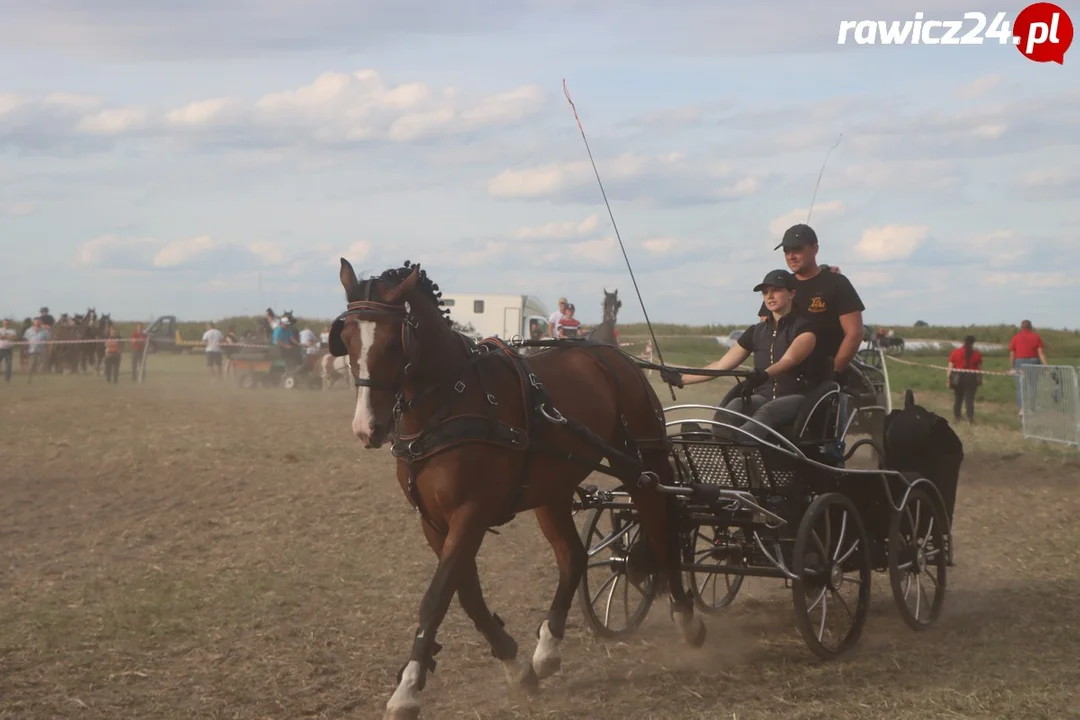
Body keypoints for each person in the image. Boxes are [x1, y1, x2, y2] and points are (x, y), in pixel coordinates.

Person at [664, 269, 823, 440]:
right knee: (734, 406)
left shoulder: (805, 329)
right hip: (763, 396)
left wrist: (764, 374)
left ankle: (731, 440)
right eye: (765, 292)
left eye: (776, 290)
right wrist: (681, 379)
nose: (769, 296)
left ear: (792, 293)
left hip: (796, 398)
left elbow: (789, 360)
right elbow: (721, 366)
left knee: (766, 413)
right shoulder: (756, 331)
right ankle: (717, 438)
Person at [759, 224, 865, 378]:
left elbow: (854, 333)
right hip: (781, 375)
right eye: (787, 251)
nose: (791, 256)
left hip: (822, 375)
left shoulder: (836, 283)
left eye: (797, 250)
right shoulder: (780, 287)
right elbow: (763, 333)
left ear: (815, 249)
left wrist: (833, 372)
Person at [1009, 319, 1047, 416]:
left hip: (1020, 363)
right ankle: (1032, 408)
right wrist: (1046, 365)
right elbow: (1040, 353)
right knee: (1033, 386)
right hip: (1034, 362)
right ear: (1031, 327)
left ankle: (1022, 409)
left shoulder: (1016, 337)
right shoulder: (1036, 337)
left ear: (1021, 328)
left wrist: (1013, 365)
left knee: (1021, 387)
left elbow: (1012, 354)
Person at [947, 335, 982, 424]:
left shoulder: (955, 352)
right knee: (969, 400)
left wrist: (948, 379)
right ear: (973, 343)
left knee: (958, 398)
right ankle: (970, 418)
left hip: (957, 377)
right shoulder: (976, 354)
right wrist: (979, 379)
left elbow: (950, 367)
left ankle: (957, 417)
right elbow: (978, 369)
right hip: (971, 378)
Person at [0, 318, 16, 384]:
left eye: (7, 323)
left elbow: (13, 337)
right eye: (5, 323)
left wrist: (4, 336)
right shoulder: (0, 329)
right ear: (3, 323)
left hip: (9, 350)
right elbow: (0, 337)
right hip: (0, 349)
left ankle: (7, 379)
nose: (6, 324)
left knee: (9, 365)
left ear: (9, 324)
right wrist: (8, 336)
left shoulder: (12, 330)